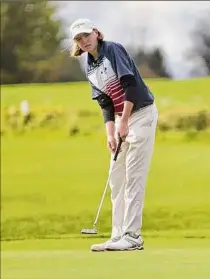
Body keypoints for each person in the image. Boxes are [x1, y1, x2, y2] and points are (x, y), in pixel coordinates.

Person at [69, 18, 158, 252]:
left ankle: (132, 236)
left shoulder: (113, 50)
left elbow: (131, 85)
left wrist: (125, 121)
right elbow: (104, 101)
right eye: (79, 38)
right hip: (121, 120)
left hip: (140, 115)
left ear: (96, 33)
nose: (84, 41)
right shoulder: (89, 65)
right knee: (116, 179)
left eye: (87, 35)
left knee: (133, 177)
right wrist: (111, 133)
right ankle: (117, 235)